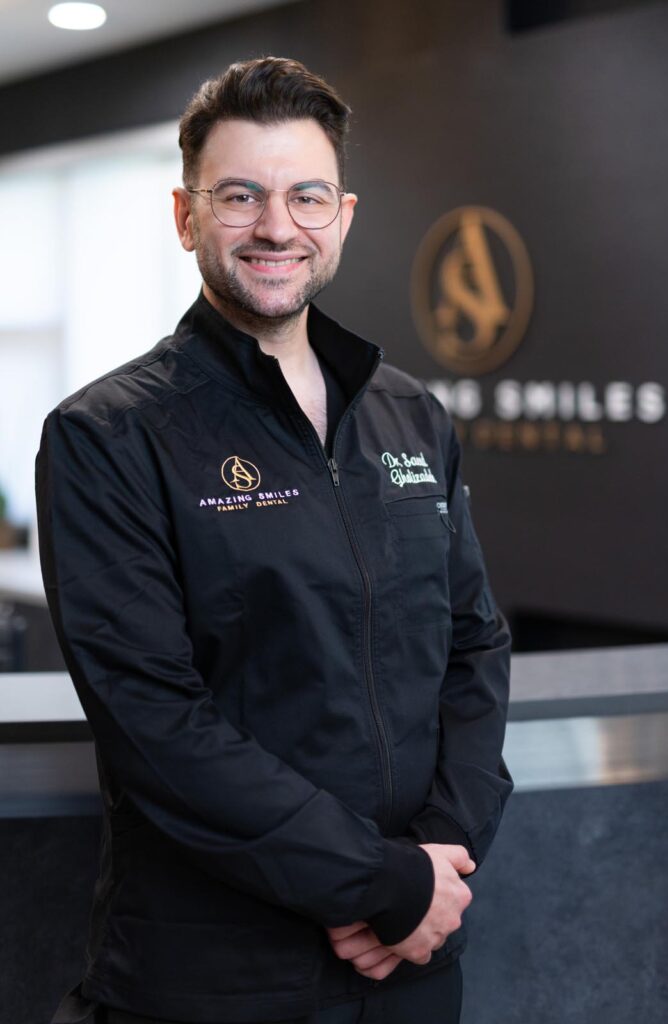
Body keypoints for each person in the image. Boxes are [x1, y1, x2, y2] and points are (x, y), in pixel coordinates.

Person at [38, 57, 513, 1024]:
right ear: (186, 217)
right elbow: (154, 721)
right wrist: (373, 883)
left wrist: (436, 863)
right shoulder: (108, 434)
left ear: (341, 215)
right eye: (240, 196)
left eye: (304, 196)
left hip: (410, 960)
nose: (275, 227)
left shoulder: (409, 416)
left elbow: (473, 647)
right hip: (218, 970)